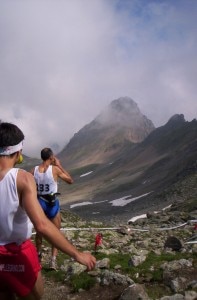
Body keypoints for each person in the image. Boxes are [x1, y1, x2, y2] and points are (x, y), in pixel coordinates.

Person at [0, 122, 96, 300]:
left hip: (39, 202)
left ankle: (40, 252)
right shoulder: (22, 178)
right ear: (18, 152)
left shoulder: (33, 171)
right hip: (18, 250)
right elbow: (42, 225)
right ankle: (52, 258)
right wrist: (77, 254)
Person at [30, 147, 74, 270]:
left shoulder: (33, 170)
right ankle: (53, 261)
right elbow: (70, 180)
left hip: (39, 203)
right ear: (51, 157)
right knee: (56, 232)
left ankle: (38, 258)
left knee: (39, 232)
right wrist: (59, 165)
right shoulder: (55, 169)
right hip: (52, 203)